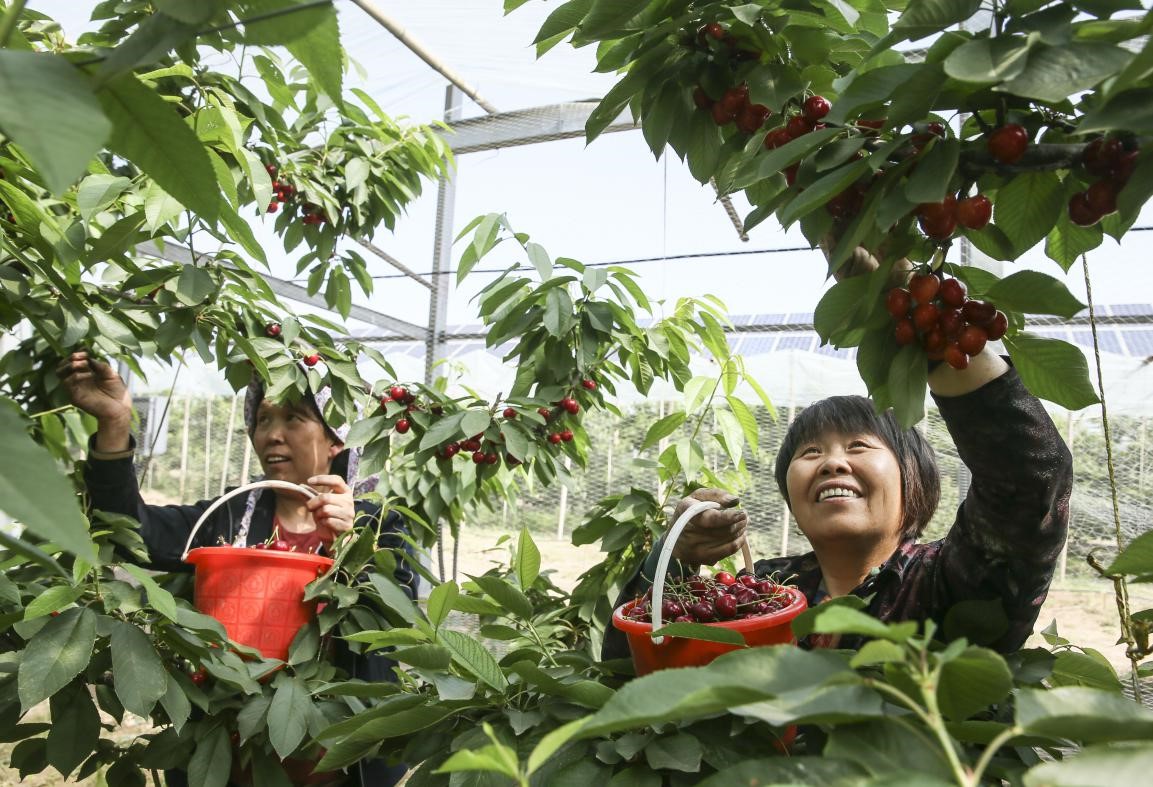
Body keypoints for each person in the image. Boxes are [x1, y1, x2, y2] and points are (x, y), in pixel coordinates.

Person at [604, 306, 1073, 659]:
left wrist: (929, 322)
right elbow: (634, 662)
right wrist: (675, 557)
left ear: (914, 477)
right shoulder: (763, 589)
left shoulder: (945, 583)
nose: (831, 463)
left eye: (859, 447)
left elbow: (1030, 481)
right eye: (810, 453)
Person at [59, 349, 412, 786]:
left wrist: (352, 545)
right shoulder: (227, 518)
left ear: (335, 438)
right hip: (227, 755)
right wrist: (115, 424)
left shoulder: (381, 528)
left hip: (334, 766)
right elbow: (133, 532)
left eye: (294, 419)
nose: (272, 435)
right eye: (263, 420)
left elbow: (399, 626)